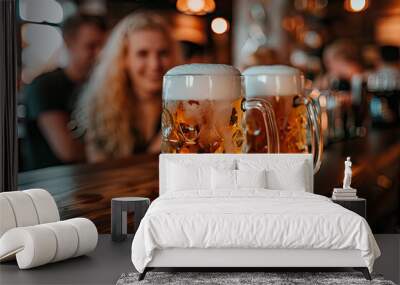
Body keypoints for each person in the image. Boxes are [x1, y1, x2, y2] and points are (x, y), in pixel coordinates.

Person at [76, 11, 181, 162]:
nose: (155, 64)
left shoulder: (185, 110)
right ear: (123, 59)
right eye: (142, 54)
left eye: (163, 53)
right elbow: (99, 170)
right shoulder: (99, 108)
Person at [22, 13, 107, 170]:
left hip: (90, 178)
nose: (100, 54)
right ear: (69, 43)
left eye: (104, 46)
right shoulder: (45, 85)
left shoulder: (99, 86)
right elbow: (68, 151)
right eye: (91, 46)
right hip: (49, 184)